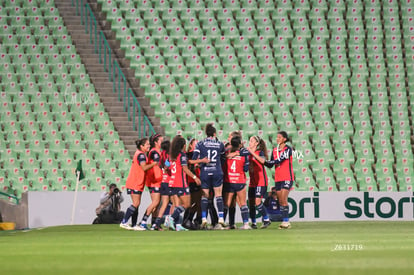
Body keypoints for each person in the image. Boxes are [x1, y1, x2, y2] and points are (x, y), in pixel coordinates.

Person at [249, 131, 295, 229]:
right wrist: (264, 161)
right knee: (280, 201)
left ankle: (286, 221)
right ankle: (285, 221)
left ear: (284, 139)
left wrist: (263, 160)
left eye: (279, 137)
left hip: (287, 177)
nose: (277, 139)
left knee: (283, 199)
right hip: (278, 178)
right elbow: (270, 164)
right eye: (277, 137)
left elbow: (279, 160)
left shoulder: (288, 149)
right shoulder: (275, 150)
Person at [192, 123, 226, 229]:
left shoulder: (200, 144)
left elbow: (194, 158)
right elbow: (223, 158)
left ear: (206, 133)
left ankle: (203, 219)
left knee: (205, 196)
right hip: (217, 171)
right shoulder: (220, 144)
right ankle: (221, 219)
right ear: (214, 134)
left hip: (205, 172)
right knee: (218, 195)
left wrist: (199, 163)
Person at [120, 138, 158, 231]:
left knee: (137, 204)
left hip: (137, 182)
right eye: (147, 144)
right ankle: (124, 222)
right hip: (135, 182)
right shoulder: (141, 155)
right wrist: (154, 164)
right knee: (136, 203)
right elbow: (144, 167)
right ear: (142, 146)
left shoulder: (140, 154)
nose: (149, 146)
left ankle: (133, 225)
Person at [167, 135, 201, 231]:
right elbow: (185, 169)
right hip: (180, 183)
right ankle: (171, 218)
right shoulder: (182, 155)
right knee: (187, 205)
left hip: (172, 183)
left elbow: (165, 167)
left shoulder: (171, 155)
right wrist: (195, 177)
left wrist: (167, 172)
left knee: (178, 205)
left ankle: (178, 225)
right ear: (183, 145)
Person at [224, 136, 251, 229]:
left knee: (227, 204)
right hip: (240, 181)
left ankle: (225, 224)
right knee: (243, 203)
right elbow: (246, 169)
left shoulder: (226, 154)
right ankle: (246, 224)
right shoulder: (244, 155)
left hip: (229, 181)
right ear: (240, 144)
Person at [138, 134, 163, 230]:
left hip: (157, 180)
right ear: (156, 142)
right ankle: (143, 221)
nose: (162, 142)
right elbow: (157, 162)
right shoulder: (154, 152)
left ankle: (154, 224)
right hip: (153, 181)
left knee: (157, 204)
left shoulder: (157, 152)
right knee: (155, 202)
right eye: (160, 140)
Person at [246, 136, 271, 229]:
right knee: (251, 203)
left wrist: (252, 152)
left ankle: (266, 219)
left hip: (261, 181)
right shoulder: (248, 154)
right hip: (252, 182)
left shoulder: (259, 152)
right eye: (249, 140)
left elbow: (262, 161)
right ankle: (253, 223)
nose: (250, 142)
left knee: (257, 202)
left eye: (252, 141)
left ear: (256, 143)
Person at [223, 131, 243, 229]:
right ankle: (230, 223)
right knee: (230, 203)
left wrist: (235, 153)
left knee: (232, 202)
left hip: (231, 179)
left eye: (230, 136)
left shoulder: (238, 150)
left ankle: (230, 223)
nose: (228, 137)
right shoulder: (227, 148)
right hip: (227, 178)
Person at [151, 140, 172, 231]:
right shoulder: (168, 155)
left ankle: (156, 223)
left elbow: (160, 165)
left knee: (164, 204)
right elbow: (166, 166)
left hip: (163, 180)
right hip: (168, 181)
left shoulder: (161, 154)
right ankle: (170, 222)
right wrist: (168, 166)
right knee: (175, 202)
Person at [183, 138, 202, 230]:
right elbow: (189, 163)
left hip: (197, 180)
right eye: (195, 143)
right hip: (191, 180)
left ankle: (191, 220)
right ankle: (187, 220)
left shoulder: (198, 154)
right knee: (192, 203)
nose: (197, 145)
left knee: (198, 203)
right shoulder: (190, 154)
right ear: (190, 145)